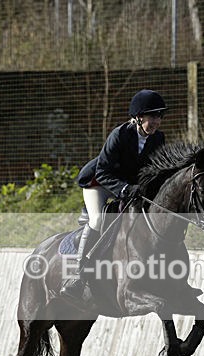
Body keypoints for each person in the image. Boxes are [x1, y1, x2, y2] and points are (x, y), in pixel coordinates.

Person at [60, 89, 168, 299]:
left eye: (159, 116)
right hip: (98, 182)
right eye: (152, 116)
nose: (157, 122)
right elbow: (103, 172)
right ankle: (77, 275)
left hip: (128, 185)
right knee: (98, 220)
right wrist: (125, 189)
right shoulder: (119, 135)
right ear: (139, 117)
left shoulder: (158, 138)